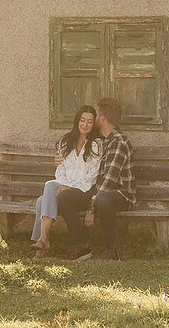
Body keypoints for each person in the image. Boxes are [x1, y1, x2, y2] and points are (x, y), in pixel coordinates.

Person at [58, 97, 135, 261]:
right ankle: (82, 246)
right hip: (99, 192)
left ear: (102, 118)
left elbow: (108, 182)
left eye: (97, 113)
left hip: (121, 194)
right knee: (65, 197)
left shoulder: (118, 142)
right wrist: (59, 159)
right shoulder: (105, 140)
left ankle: (111, 250)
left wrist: (91, 209)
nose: (95, 116)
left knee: (103, 199)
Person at [29, 105, 102, 259]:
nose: (85, 125)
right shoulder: (65, 141)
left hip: (84, 191)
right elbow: (60, 169)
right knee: (46, 192)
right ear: (77, 121)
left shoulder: (96, 145)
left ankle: (42, 243)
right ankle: (43, 241)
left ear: (93, 124)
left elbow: (92, 176)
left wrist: (69, 187)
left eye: (90, 122)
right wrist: (63, 185)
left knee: (43, 200)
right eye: (82, 120)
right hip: (64, 187)